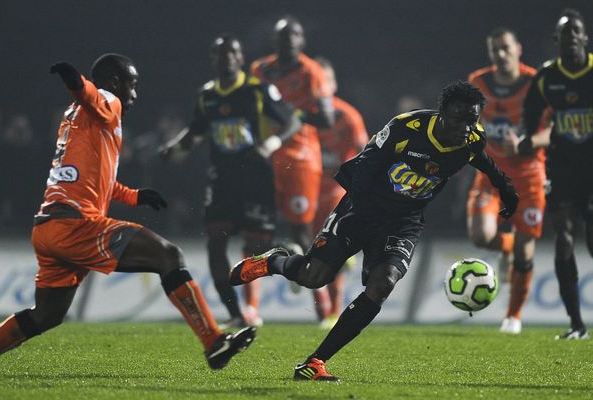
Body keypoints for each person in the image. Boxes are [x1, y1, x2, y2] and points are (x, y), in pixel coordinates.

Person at [230, 81, 519, 381]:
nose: (465, 126)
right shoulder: (407, 128)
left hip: (404, 220)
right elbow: (365, 168)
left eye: (472, 120)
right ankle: (274, 261)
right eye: (459, 118)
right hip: (361, 207)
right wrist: (364, 219)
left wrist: (505, 188)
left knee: (383, 284)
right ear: (442, 113)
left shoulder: (472, 139)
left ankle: (316, 362)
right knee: (313, 276)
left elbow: (480, 159)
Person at [0, 54, 256, 369]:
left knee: (46, 315)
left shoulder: (76, 118)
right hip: (76, 224)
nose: (134, 94)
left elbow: (96, 179)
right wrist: (75, 81)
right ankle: (213, 341)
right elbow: (90, 93)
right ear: (116, 83)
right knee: (169, 257)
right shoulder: (107, 101)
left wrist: (134, 196)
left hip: (48, 228)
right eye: (132, 85)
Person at [160, 35, 300, 328]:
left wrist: (270, 143)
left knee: (256, 246)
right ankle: (235, 312)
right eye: (221, 54)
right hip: (222, 180)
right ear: (214, 58)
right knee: (215, 244)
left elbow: (292, 121)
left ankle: (287, 252)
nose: (227, 59)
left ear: (240, 58)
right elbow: (196, 132)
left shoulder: (257, 90)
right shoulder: (207, 94)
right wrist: (173, 148)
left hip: (255, 179)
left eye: (233, 53)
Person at [466, 28, 548, 334]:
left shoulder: (535, 83)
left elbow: (552, 131)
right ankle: (507, 247)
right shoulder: (478, 82)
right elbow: (468, 124)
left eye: (505, 48)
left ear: (518, 49)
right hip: (491, 174)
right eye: (495, 50)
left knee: (526, 254)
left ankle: (513, 317)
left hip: (528, 176)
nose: (500, 55)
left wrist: (527, 143)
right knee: (480, 236)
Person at [519, 8, 593, 340]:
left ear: (585, 37)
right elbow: (530, 118)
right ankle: (576, 324)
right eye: (566, 33)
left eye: (576, 31)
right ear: (556, 40)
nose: (572, 37)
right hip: (561, 168)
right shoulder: (547, 77)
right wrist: (525, 140)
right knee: (563, 240)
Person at [250, 16, 335, 253]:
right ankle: (280, 257)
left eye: (294, 35)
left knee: (301, 231)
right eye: (282, 35)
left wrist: (292, 115)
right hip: (265, 156)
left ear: (303, 40)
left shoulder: (312, 72)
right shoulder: (260, 69)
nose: (288, 40)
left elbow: (326, 119)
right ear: (274, 40)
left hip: (300, 157)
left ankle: (306, 274)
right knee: (255, 232)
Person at [311, 57, 368, 329]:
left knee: (330, 244)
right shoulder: (304, 115)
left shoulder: (348, 116)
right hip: (307, 190)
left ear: (333, 84)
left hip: (337, 190)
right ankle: (324, 311)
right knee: (312, 249)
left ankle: (331, 311)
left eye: (325, 81)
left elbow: (368, 152)